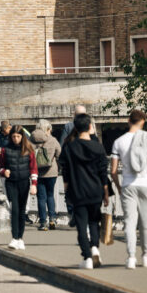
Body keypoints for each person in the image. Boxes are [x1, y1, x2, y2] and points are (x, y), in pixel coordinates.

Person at [110, 108, 147, 269]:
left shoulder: (119, 142)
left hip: (128, 185)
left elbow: (113, 171)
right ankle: (146, 255)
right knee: (146, 223)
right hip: (145, 184)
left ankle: (131, 257)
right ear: (143, 122)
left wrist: (119, 186)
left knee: (130, 222)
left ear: (128, 121)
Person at [60, 112, 109, 270]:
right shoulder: (98, 147)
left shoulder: (70, 148)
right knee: (94, 222)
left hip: (78, 190)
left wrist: (66, 190)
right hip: (95, 191)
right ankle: (94, 247)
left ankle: (87, 257)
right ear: (90, 127)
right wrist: (106, 192)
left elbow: (65, 172)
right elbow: (103, 172)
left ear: (75, 127)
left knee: (81, 225)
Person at [0, 125, 38, 250]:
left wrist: (34, 185)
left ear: (22, 137)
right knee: (14, 209)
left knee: (21, 211)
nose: (16, 139)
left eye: (18, 136)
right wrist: (4, 172)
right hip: (11, 183)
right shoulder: (5, 150)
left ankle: (20, 238)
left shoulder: (29, 150)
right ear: (10, 137)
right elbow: (0, 167)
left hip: (24, 183)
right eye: (13, 136)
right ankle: (14, 238)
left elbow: (33, 168)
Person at [32, 119, 61, 231]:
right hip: (51, 171)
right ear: (48, 129)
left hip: (37, 172)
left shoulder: (32, 139)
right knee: (50, 195)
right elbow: (59, 153)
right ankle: (52, 219)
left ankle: (43, 222)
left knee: (41, 197)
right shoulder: (53, 140)